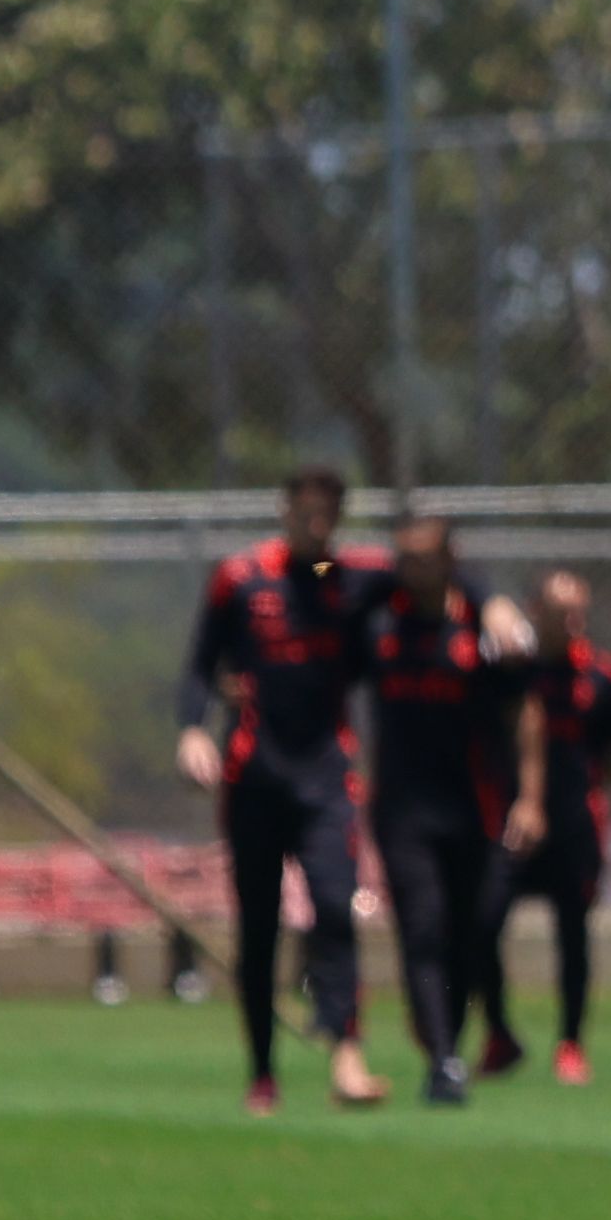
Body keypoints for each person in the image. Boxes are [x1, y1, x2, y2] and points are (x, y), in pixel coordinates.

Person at [176, 465, 390, 1115]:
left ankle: (346, 1052)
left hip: (326, 775)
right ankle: (262, 1072)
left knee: (334, 905)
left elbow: (426, 573)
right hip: (254, 777)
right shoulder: (242, 578)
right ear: (286, 510)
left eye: (327, 514)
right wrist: (192, 729)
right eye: (305, 511)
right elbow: (199, 664)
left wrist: (488, 601)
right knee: (260, 928)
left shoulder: (341, 580)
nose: (315, 525)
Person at [361, 516, 539, 1107]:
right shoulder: (379, 613)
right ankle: (442, 1058)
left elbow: (526, 711)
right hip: (403, 811)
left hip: (475, 808)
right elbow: (317, 569)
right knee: (422, 930)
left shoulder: (483, 629)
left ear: (450, 559)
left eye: (426, 558)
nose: (414, 570)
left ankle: (452, 1043)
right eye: (404, 558)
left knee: (474, 931)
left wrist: (532, 798)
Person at [474, 572, 611, 1086]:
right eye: (561, 611)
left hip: (575, 824)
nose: (572, 623)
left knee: (572, 931)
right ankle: (498, 1033)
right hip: (510, 822)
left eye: (579, 612)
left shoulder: (603, 676)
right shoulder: (508, 671)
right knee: (483, 924)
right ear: (534, 611)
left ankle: (571, 1042)